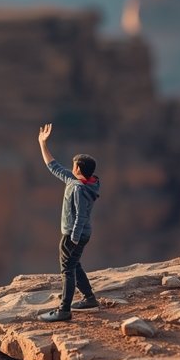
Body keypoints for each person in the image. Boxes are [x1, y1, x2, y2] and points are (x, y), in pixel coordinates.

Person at [36, 123, 101, 323]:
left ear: (78, 169)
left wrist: (72, 238)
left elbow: (81, 215)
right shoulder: (86, 183)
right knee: (75, 265)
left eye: (74, 165)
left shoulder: (79, 189)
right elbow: (54, 167)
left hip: (75, 234)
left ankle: (64, 310)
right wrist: (42, 144)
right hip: (81, 233)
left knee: (67, 269)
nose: (71, 168)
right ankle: (90, 299)